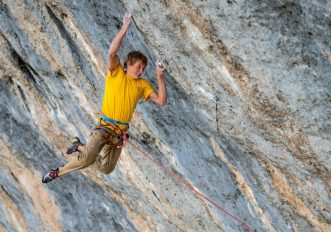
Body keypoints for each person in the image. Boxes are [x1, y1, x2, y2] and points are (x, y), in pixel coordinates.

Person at [42, 13, 167, 183]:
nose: (141, 71)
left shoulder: (142, 85)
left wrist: (160, 76)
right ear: (128, 64)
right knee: (86, 160)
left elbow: (161, 101)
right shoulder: (116, 74)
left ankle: (79, 146)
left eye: (143, 68)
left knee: (106, 168)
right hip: (103, 128)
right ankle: (58, 172)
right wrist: (124, 28)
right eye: (138, 67)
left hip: (119, 134)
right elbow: (111, 52)